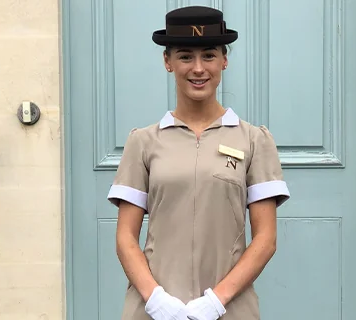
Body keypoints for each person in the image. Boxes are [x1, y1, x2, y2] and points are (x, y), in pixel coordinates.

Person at [107, 5, 290, 320]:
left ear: (224, 60)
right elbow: (125, 236)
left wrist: (216, 302)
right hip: (153, 310)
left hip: (229, 310)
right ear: (168, 62)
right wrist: (155, 301)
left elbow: (266, 238)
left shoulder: (253, 141)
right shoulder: (143, 143)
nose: (198, 68)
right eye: (184, 56)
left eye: (208, 55)